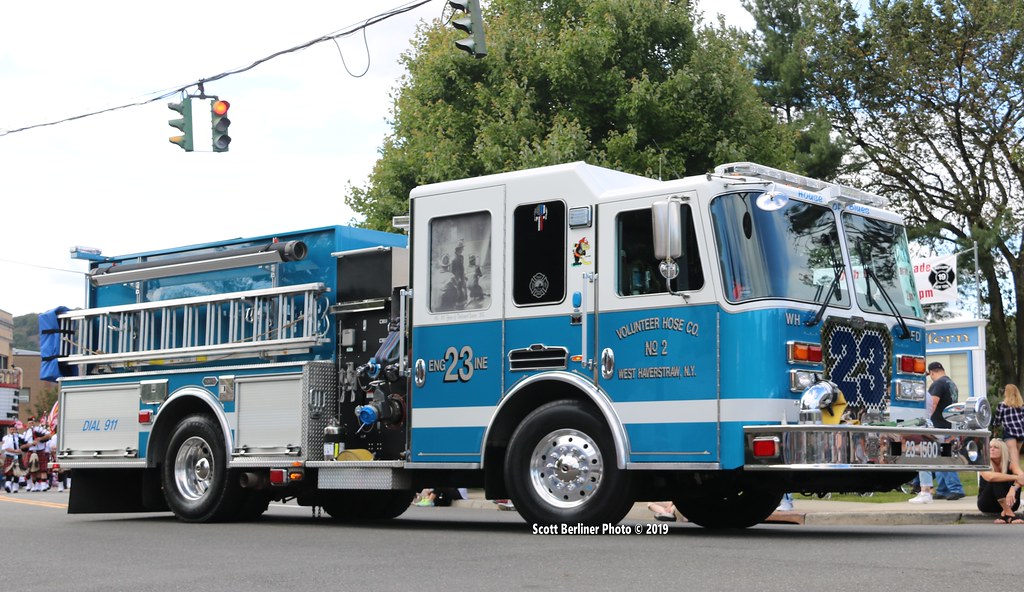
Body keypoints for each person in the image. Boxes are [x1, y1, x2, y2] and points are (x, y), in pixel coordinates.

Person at [909, 362, 965, 502]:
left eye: (930, 375)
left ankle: (955, 488)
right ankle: (943, 489)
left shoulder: (938, 384)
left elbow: (933, 403)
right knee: (939, 458)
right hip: (948, 424)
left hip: (938, 425)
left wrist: (926, 420)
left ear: (932, 372)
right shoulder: (951, 384)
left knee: (943, 458)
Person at [977, 439, 1024, 523]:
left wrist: (1013, 488)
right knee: (996, 479)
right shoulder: (983, 464)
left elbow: (1022, 477)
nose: (992, 449)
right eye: (990, 447)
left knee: (1017, 480)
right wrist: (1015, 477)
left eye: (996, 447)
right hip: (988, 504)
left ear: (1003, 451)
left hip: (1011, 503)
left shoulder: (1011, 464)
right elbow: (990, 477)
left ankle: (1004, 515)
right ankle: (1010, 514)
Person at [994, 384, 1024, 473]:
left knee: (1012, 459)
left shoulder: (1002, 405)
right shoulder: (1021, 405)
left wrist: (995, 430)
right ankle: (1014, 480)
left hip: (1009, 432)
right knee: (1015, 456)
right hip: (1021, 433)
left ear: (1007, 392)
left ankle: (1019, 477)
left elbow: (997, 420)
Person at [2, 424, 25, 493]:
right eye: (11, 429)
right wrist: (14, 451)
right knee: (9, 472)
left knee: (17, 472)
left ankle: (15, 487)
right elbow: (5, 448)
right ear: (9, 430)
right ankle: (8, 485)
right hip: (10, 456)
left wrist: (22, 449)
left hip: (18, 456)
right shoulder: (5, 438)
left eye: (14, 429)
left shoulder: (20, 437)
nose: (13, 431)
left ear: (16, 430)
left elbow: (25, 445)